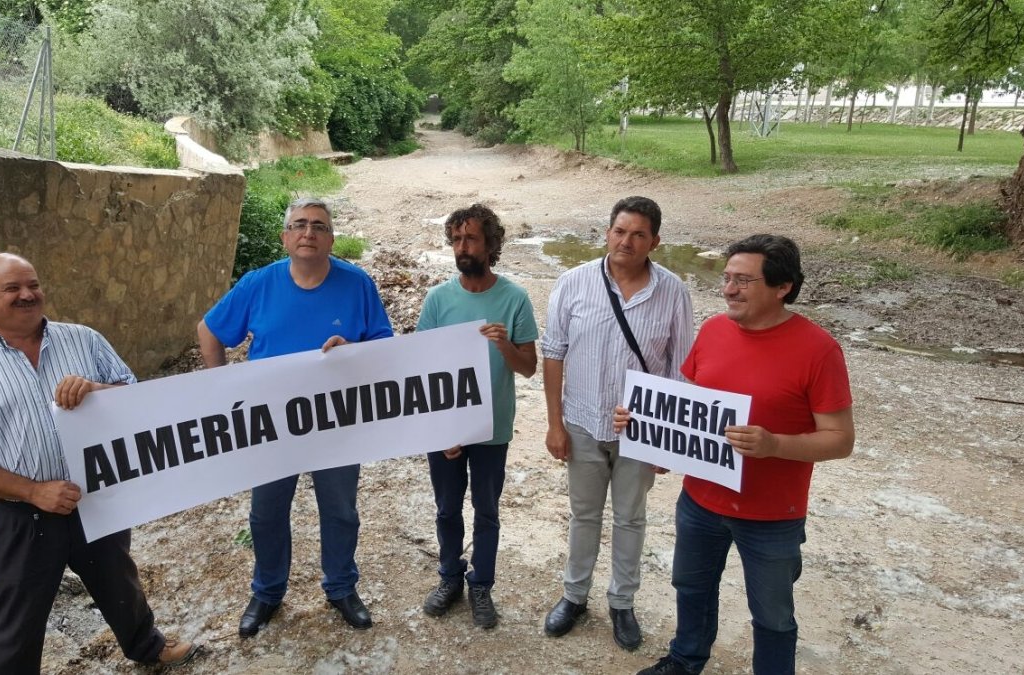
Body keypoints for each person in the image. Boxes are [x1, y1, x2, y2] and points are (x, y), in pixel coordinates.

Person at [0, 253, 197, 674]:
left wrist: (98, 389)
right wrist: (34, 491)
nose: (27, 295)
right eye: (12, 288)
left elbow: (140, 401)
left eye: (32, 285)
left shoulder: (83, 340)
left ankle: (148, 647)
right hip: (24, 515)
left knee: (119, 583)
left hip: (98, 498)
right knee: (15, 618)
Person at [633, 234, 854, 675]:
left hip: (773, 515)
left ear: (782, 287)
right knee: (691, 587)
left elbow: (840, 439)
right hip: (700, 500)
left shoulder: (818, 349)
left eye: (743, 281)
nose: (729, 289)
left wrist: (776, 445)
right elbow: (694, 403)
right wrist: (648, 427)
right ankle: (685, 659)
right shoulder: (714, 329)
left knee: (772, 615)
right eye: (728, 278)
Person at [197, 197, 393, 637]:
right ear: (286, 237)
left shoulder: (357, 284)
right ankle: (267, 592)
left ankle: (341, 587)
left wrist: (355, 352)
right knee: (266, 514)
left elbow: (386, 347)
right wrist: (218, 387)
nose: (309, 233)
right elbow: (209, 330)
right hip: (271, 424)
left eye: (319, 226)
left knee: (341, 511)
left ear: (331, 239)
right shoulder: (257, 284)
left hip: (338, 422)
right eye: (300, 225)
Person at [540, 196, 694, 650]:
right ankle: (574, 596)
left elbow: (680, 369)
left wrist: (669, 439)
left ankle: (622, 603)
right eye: (620, 231)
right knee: (583, 514)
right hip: (583, 421)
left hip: (641, 431)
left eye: (639, 234)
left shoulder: (673, 292)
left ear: (655, 242)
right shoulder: (573, 283)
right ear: (607, 233)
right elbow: (553, 353)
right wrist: (554, 424)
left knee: (630, 518)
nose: (627, 241)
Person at [417, 204, 538, 629]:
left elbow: (528, 367)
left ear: (491, 245)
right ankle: (450, 577)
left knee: (486, 510)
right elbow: (422, 370)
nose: (462, 247)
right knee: (447, 508)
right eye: (456, 239)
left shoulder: (514, 298)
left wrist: (505, 345)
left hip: (491, 429)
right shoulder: (437, 299)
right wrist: (441, 427)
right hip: (446, 430)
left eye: (471, 239)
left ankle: (481, 584)